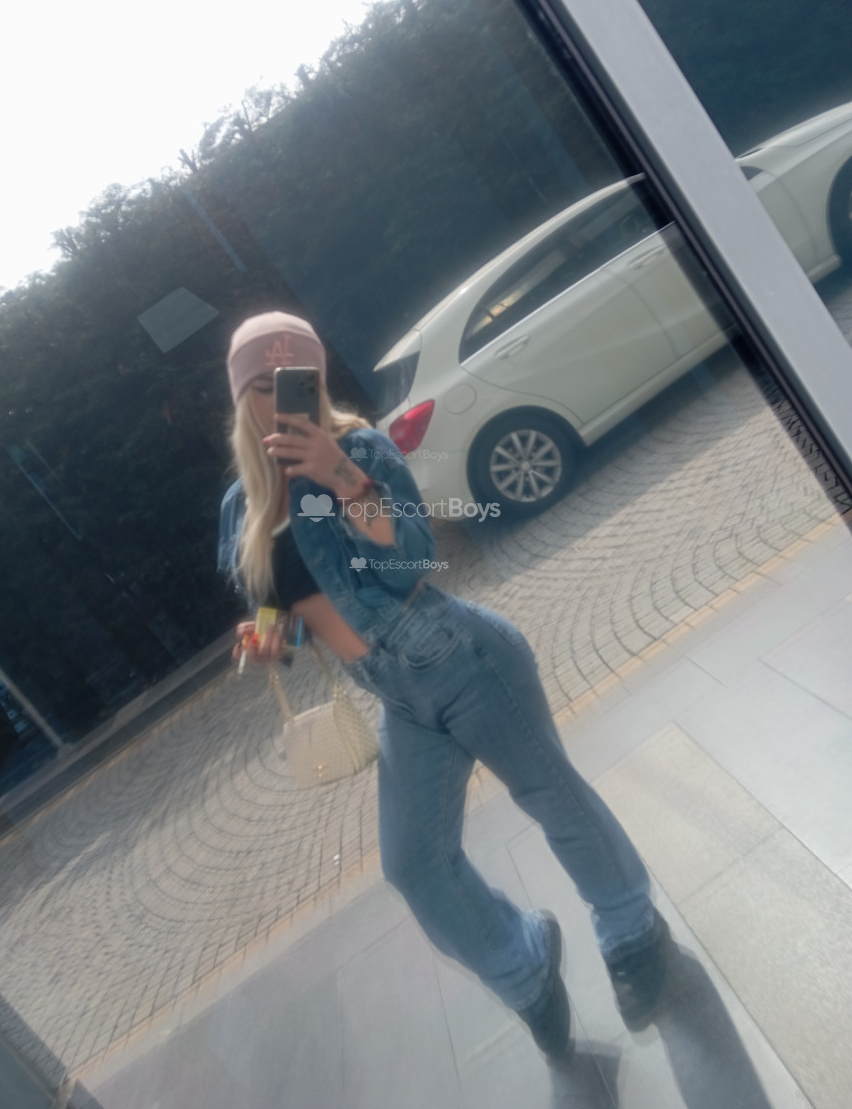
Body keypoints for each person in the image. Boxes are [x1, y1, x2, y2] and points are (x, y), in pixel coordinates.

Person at [219, 309, 672, 1060]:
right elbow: (285, 610)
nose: (281, 400)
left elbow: (409, 565)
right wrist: (271, 641)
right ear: (241, 397)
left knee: (553, 798)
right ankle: (526, 964)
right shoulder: (240, 509)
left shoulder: (358, 450)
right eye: (262, 386)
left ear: (319, 381)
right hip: (396, 694)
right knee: (414, 864)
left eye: (297, 381)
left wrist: (341, 478)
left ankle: (631, 927)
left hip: (463, 659)